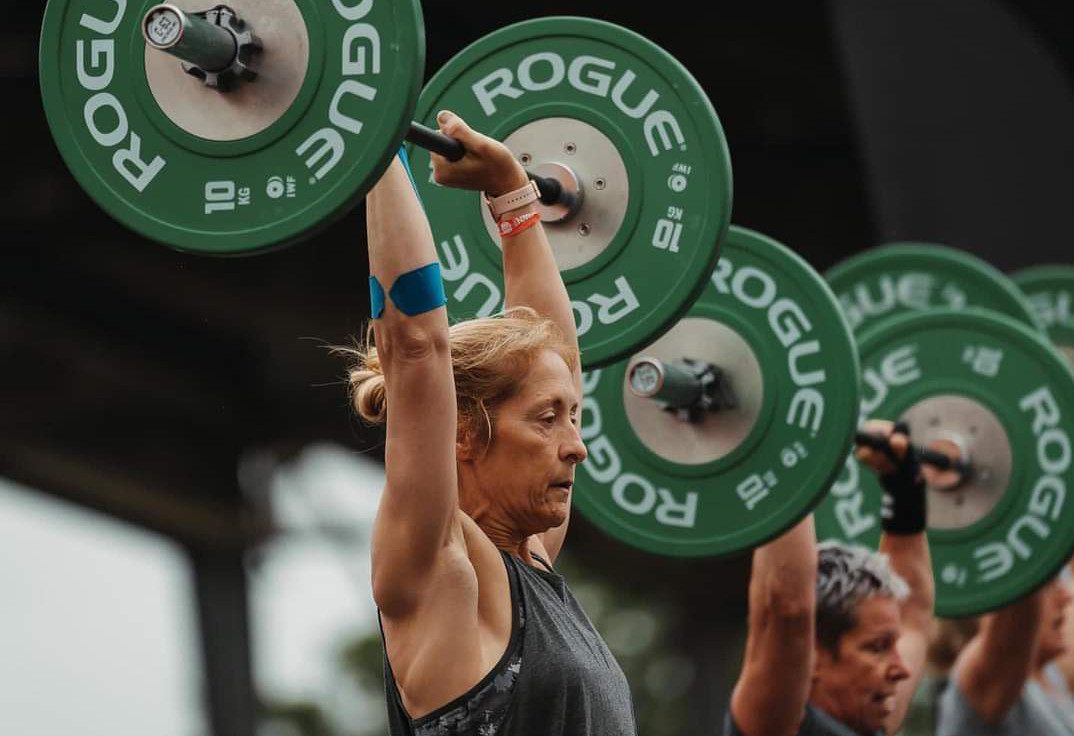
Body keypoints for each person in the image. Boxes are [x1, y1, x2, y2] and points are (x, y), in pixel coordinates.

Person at [344, 111, 637, 735]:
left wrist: (513, 194)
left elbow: (557, 350)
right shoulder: (439, 570)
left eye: (574, 418)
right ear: (463, 432)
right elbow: (417, 347)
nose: (577, 447)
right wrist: (376, 138)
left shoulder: (532, 559)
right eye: (548, 420)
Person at [726, 421, 936, 736]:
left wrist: (904, 487)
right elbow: (788, 608)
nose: (902, 669)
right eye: (878, 647)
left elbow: (914, 614)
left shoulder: (872, 722)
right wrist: (779, 446)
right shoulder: (775, 723)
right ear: (813, 655)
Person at [934, 572, 1074, 735]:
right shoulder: (991, 681)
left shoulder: (1050, 673)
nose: (1066, 596)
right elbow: (1021, 580)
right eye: (1049, 585)